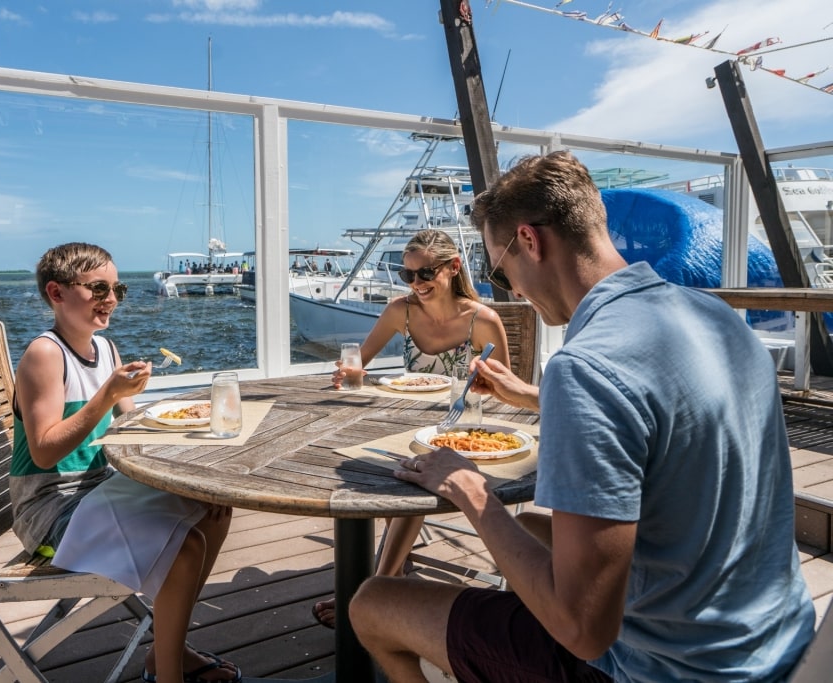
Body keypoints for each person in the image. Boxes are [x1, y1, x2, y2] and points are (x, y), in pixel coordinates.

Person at [348, 151, 815, 682]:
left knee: (373, 603)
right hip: (778, 650)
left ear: (530, 241)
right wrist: (532, 397)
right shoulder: (717, 319)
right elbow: (660, 416)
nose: (514, 292)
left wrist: (472, 493)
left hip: (656, 670)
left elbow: (584, 629)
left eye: (502, 273)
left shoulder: (586, 366)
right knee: (532, 527)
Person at [10, 242, 241, 683]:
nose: (111, 299)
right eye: (98, 288)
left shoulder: (107, 348)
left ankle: (167, 651)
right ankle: (167, 674)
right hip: (51, 511)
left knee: (213, 509)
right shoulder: (46, 354)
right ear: (57, 293)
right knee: (185, 545)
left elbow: (130, 424)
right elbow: (43, 450)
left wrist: (184, 424)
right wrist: (107, 396)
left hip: (97, 493)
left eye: (117, 288)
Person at [311, 228, 512, 629]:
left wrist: (480, 393)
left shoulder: (483, 321)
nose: (416, 284)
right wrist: (349, 372)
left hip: (461, 435)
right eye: (408, 276)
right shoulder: (399, 312)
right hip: (403, 425)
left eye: (425, 274)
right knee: (348, 463)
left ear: (453, 268)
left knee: (413, 472)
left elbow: (508, 397)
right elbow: (360, 367)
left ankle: (379, 585)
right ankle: (391, 572)